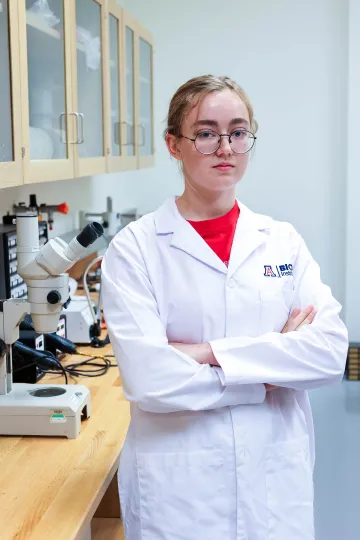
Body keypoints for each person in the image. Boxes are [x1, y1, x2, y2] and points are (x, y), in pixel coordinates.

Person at [101, 75, 348, 540]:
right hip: (181, 495)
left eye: (238, 131)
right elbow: (150, 380)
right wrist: (272, 365)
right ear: (174, 145)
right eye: (207, 132)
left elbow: (328, 354)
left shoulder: (281, 242)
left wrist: (206, 352)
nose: (225, 147)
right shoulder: (136, 249)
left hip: (275, 483)